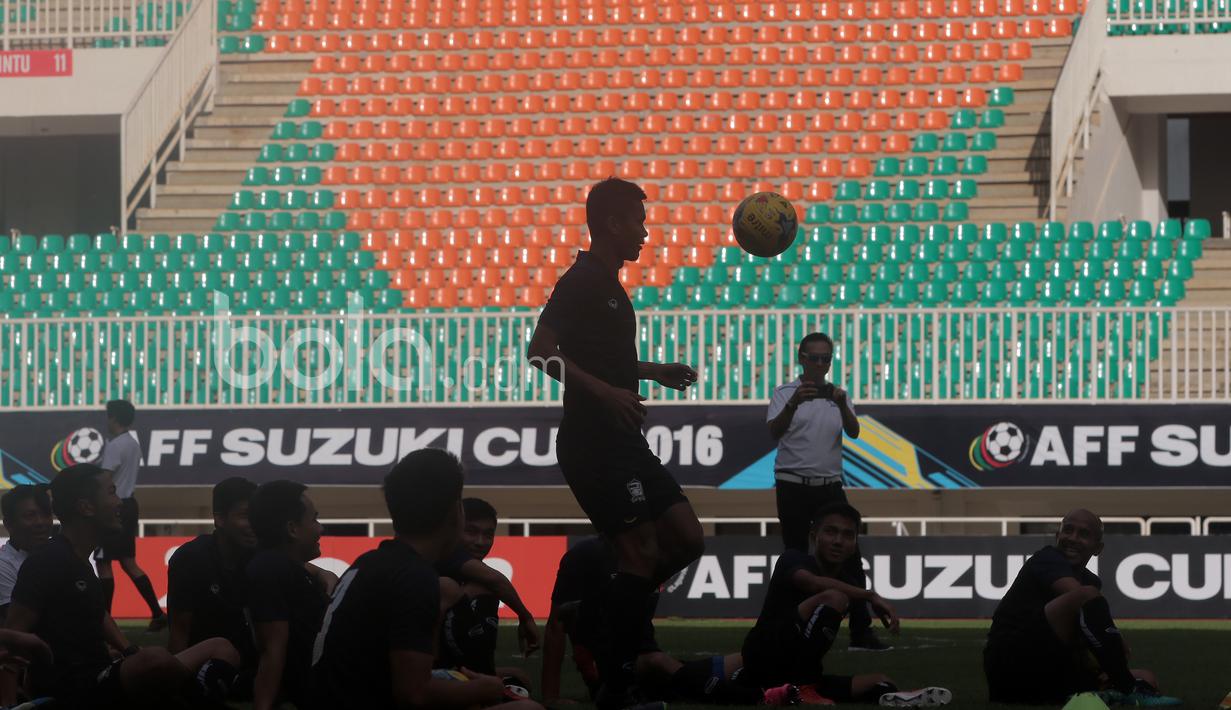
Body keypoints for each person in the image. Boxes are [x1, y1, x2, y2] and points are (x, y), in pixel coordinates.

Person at [527, 177, 705, 709]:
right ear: (611, 223)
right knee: (641, 552)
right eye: (638, 221)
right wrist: (605, 392)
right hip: (592, 442)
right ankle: (617, 684)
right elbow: (539, 352)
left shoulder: (609, 285)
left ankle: (599, 613)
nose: (645, 233)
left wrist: (651, 371)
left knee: (688, 539)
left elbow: (605, 358)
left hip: (623, 441)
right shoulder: (581, 279)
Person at [310, 449, 543, 710]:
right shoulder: (415, 577)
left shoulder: (369, 562)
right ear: (456, 511)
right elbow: (413, 694)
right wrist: (485, 687)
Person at [6, 464, 240, 709]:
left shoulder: (79, 562)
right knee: (154, 659)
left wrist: (127, 650)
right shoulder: (46, 561)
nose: (120, 503)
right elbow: (13, 639)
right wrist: (8, 703)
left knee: (221, 647)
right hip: (75, 688)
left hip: (104, 673)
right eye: (112, 492)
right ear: (86, 507)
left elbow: (96, 619)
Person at [542, 536, 797, 707]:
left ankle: (778, 688)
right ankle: (757, 698)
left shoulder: (649, 554)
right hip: (612, 668)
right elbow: (556, 624)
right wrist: (550, 697)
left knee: (749, 658)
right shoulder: (584, 556)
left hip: (650, 664)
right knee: (659, 662)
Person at [739, 503, 951, 707]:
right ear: (815, 537)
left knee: (882, 682)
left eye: (848, 535)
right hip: (762, 659)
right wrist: (870, 596)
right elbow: (812, 583)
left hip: (793, 673)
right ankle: (802, 688)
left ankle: (903, 698)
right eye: (831, 532)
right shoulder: (792, 559)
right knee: (835, 597)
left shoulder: (849, 584)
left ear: (854, 545)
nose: (838, 541)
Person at [984, 509, 1181, 706]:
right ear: (1057, 536)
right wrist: (1116, 643)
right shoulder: (1046, 558)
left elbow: (1085, 639)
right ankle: (1126, 688)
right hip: (1012, 668)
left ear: (1098, 548)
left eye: (1084, 534)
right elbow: (1080, 596)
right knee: (1086, 596)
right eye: (1068, 530)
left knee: (1147, 677)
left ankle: (1101, 693)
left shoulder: (1091, 581)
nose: (1073, 538)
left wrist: (1100, 669)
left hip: (1050, 673)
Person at [766, 332, 886, 651]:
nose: (820, 364)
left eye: (826, 359)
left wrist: (839, 401)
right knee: (794, 558)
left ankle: (861, 631)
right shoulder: (784, 393)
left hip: (828, 484)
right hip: (792, 483)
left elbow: (854, 431)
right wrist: (794, 403)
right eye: (814, 358)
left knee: (851, 557)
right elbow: (774, 432)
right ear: (801, 358)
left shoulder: (839, 395)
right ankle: (788, 629)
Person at [246, 480, 334, 710]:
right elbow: (273, 650)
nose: (320, 528)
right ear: (292, 529)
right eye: (314, 519)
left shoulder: (284, 567)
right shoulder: (270, 570)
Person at [167, 477, 259, 698]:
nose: (255, 524)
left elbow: (298, 566)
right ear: (219, 518)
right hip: (206, 663)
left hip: (251, 664)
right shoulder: (191, 558)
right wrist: (175, 684)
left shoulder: (261, 555)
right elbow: (180, 631)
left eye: (258, 516)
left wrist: (322, 573)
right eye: (246, 516)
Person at [437, 498, 531, 686]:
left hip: (446, 668)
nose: (480, 542)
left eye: (488, 534)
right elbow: (495, 581)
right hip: (426, 671)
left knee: (521, 679)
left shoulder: (457, 563)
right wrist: (525, 617)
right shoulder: (448, 555)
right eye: (471, 532)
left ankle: (480, 678)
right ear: (454, 530)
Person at [96, 399, 167, 631]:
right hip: (129, 504)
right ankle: (157, 613)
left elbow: (105, 477)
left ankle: (105, 619)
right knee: (128, 562)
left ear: (114, 418)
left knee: (103, 562)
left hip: (111, 507)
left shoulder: (115, 445)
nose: (107, 420)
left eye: (108, 416)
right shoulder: (133, 444)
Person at [0, 485, 53, 620]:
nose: (40, 522)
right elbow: (16, 623)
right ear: (9, 524)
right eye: (30, 516)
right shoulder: (3, 565)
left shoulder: (62, 554)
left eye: (46, 514)